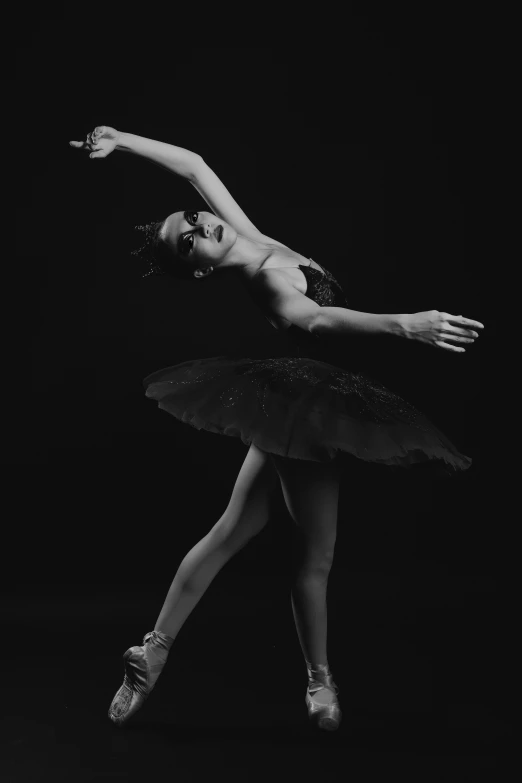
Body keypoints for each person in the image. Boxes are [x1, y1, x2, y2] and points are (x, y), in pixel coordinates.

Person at [70, 126, 484, 732]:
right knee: (316, 557)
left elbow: (193, 164)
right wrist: (404, 326)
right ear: (203, 271)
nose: (203, 227)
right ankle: (320, 681)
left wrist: (120, 140)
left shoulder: (250, 237)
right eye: (190, 243)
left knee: (233, 529)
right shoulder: (263, 277)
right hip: (306, 407)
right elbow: (314, 320)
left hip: (296, 400)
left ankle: (153, 651)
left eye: (194, 219)